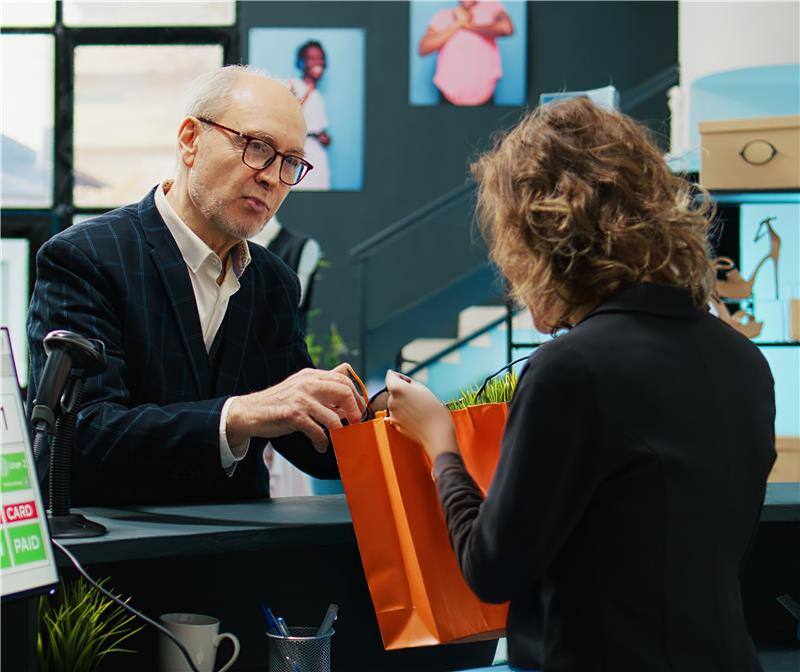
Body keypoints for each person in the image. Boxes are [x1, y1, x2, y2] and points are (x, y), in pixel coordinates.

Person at [385, 98, 776, 670]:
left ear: (540, 238)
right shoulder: (742, 360)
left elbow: (492, 569)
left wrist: (439, 441)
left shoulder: (572, 370)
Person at [27, 65, 364, 506]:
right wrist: (240, 414)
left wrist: (374, 419)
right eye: (257, 147)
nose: (271, 177)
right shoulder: (87, 256)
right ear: (190, 140)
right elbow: (77, 435)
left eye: (290, 162)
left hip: (243, 556)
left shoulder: (273, 282)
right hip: (120, 557)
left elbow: (309, 441)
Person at [418, 0, 514, 106]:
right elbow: (424, 48)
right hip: (447, 97)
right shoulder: (443, 15)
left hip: (485, 98)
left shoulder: (491, 8)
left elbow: (507, 28)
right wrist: (458, 23)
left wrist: (467, 25)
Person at [289, 40, 331, 190]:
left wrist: (324, 138)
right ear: (302, 62)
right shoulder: (293, 84)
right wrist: (309, 88)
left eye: (320, 58)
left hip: (318, 152)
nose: (317, 63)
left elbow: (317, 126)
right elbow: (293, 113)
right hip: (301, 148)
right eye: (312, 59)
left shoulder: (319, 95)